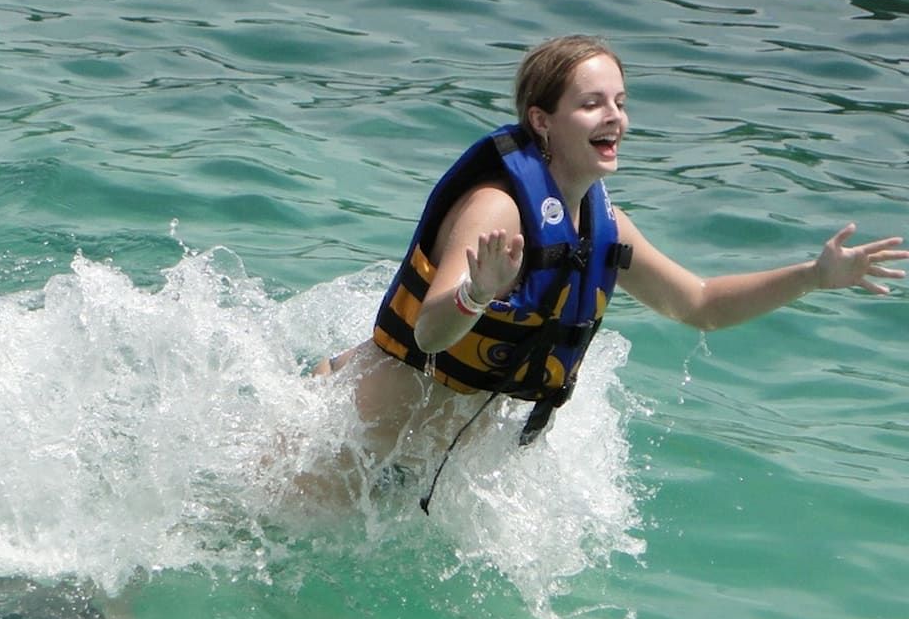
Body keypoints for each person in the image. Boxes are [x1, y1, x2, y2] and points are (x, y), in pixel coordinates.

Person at [313, 34, 906, 509]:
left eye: (620, 103)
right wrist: (478, 291)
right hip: (342, 443)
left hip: (414, 467)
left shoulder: (606, 228)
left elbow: (698, 305)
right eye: (592, 103)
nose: (615, 117)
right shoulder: (497, 208)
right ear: (542, 120)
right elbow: (430, 333)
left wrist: (813, 277)